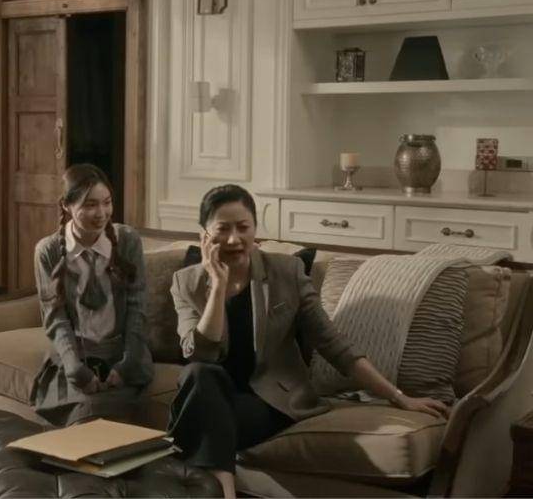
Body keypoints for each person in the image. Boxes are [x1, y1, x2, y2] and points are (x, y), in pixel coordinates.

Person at [169, 184, 450, 499]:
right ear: (204, 235)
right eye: (223, 229)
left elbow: (333, 344)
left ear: (255, 229)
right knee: (199, 375)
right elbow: (199, 354)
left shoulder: (286, 271)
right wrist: (218, 287)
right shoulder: (187, 282)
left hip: (270, 402)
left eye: (243, 227)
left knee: (198, 417)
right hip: (215, 396)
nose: (234, 239)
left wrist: (399, 397)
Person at [31, 163, 154, 427]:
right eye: (90, 205)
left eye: (107, 203)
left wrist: (127, 365)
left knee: (95, 420)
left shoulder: (127, 241)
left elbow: (138, 308)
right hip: (75, 359)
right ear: (66, 205)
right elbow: (55, 318)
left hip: (123, 359)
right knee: (85, 418)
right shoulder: (48, 251)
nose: (101, 213)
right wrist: (75, 368)